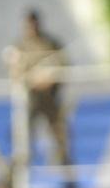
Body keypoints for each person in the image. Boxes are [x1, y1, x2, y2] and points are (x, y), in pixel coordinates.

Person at [6, 9, 70, 166]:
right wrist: (30, 79)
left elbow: (62, 66)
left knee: (61, 136)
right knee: (22, 139)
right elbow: (15, 72)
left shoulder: (50, 43)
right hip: (30, 99)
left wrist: (49, 79)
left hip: (50, 98)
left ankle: (69, 180)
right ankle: (15, 179)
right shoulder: (19, 46)